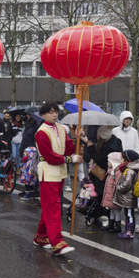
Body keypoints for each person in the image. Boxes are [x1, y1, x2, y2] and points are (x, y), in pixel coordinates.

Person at [33, 102, 82, 256]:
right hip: (47, 172)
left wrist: (77, 138)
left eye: (56, 112)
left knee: (50, 206)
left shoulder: (62, 129)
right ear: (43, 115)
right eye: (51, 112)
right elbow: (50, 156)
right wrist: (70, 160)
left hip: (59, 172)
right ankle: (57, 242)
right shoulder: (41, 132)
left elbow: (68, 148)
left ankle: (41, 237)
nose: (55, 115)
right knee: (53, 207)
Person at [112, 150, 139, 239]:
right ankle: (127, 230)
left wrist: (118, 187)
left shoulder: (130, 170)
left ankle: (130, 232)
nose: (122, 160)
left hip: (129, 197)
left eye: (123, 158)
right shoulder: (131, 168)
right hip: (128, 197)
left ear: (128, 160)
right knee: (128, 214)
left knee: (130, 214)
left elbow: (127, 184)